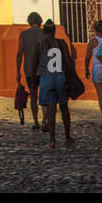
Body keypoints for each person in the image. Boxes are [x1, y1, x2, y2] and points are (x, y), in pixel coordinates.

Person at [37, 19, 75, 149]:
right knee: (64, 107)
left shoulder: (40, 44)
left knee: (50, 110)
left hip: (47, 78)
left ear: (44, 31)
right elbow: (68, 60)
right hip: (60, 77)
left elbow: (34, 62)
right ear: (54, 31)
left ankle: (52, 140)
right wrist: (72, 75)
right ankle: (67, 136)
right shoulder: (61, 43)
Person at [16, 12, 45, 131]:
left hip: (29, 70)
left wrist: (18, 72)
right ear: (39, 21)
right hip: (43, 69)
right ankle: (45, 120)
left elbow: (19, 53)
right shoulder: (44, 33)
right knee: (44, 96)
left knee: (33, 95)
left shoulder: (24, 34)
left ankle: (36, 122)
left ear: (29, 21)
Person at [84, 18, 102, 129]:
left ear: (95, 29)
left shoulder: (92, 42)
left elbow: (87, 58)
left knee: (101, 95)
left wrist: (86, 69)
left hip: (97, 69)